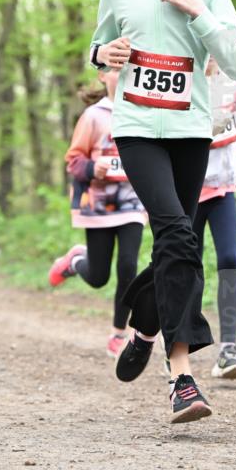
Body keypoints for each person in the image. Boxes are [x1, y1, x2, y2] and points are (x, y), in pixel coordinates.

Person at [89, 0, 236, 423]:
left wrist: (196, 10)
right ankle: (182, 377)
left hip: (190, 131)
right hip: (136, 128)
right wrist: (101, 54)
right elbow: (100, 43)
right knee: (179, 233)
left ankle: (146, 326)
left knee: (178, 245)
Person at [48, 70, 147, 357]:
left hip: (132, 203)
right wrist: (94, 168)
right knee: (98, 277)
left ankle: (119, 333)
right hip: (98, 205)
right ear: (103, 76)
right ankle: (76, 260)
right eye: (117, 68)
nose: (124, 72)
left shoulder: (142, 111)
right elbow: (74, 160)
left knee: (128, 266)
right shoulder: (93, 116)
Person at [193, 58, 236, 380]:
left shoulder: (230, 79)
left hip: (220, 185)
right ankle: (178, 343)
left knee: (229, 258)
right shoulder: (180, 74)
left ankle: (229, 349)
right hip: (185, 189)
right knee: (189, 265)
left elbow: (230, 128)